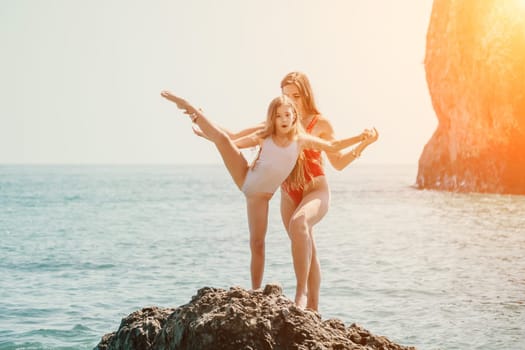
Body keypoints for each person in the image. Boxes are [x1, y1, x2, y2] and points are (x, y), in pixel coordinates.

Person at [160, 90, 377, 293]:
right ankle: (190, 110)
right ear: (272, 119)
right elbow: (233, 142)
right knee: (223, 140)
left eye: (287, 115)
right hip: (245, 178)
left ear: (294, 118)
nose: (283, 119)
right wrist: (208, 133)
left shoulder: (301, 140)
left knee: (258, 243)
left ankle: (255, 291)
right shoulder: (264, 136)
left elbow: (334, 146)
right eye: (278, 115)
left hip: (260, 198)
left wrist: (360, 138)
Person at [228, 72, 379, 310]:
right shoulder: (278, 119)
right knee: (307, 246)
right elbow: (232, 137)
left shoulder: (320, 123)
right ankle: (313, 311)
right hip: (289, 194)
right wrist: (201, 121)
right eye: (285, 95)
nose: (291, 100)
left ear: (306, 94)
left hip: (315, 189)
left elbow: (337, 162)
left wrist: (363, 144)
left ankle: (302, 297)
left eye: (296, 95)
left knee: (300, 224)